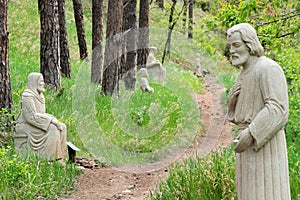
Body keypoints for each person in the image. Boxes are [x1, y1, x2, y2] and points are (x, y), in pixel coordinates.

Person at [227, 23, 290, 199]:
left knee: (265, 191)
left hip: (265, 144)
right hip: (247, 144)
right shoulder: (244, 72)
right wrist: (232, 103)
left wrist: (252, 133)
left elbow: (278, 108)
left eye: (236, 45)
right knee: (248, 191)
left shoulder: (267, 68)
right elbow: (245, 110)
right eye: (230, 46)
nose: (232, 50)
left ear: (250, 44)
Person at [14, 72, 67, 161]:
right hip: (25, 125)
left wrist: (52, 119)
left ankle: (61, 158)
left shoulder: (40, 96)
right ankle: (49, 159)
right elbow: (30, 117)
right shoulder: (27, 96)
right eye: (41, 81)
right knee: (52, 128)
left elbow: (41, 114)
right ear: (34, 82)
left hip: (36, 123)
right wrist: (51, 121)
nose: (43, 84)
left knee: (63, 127)